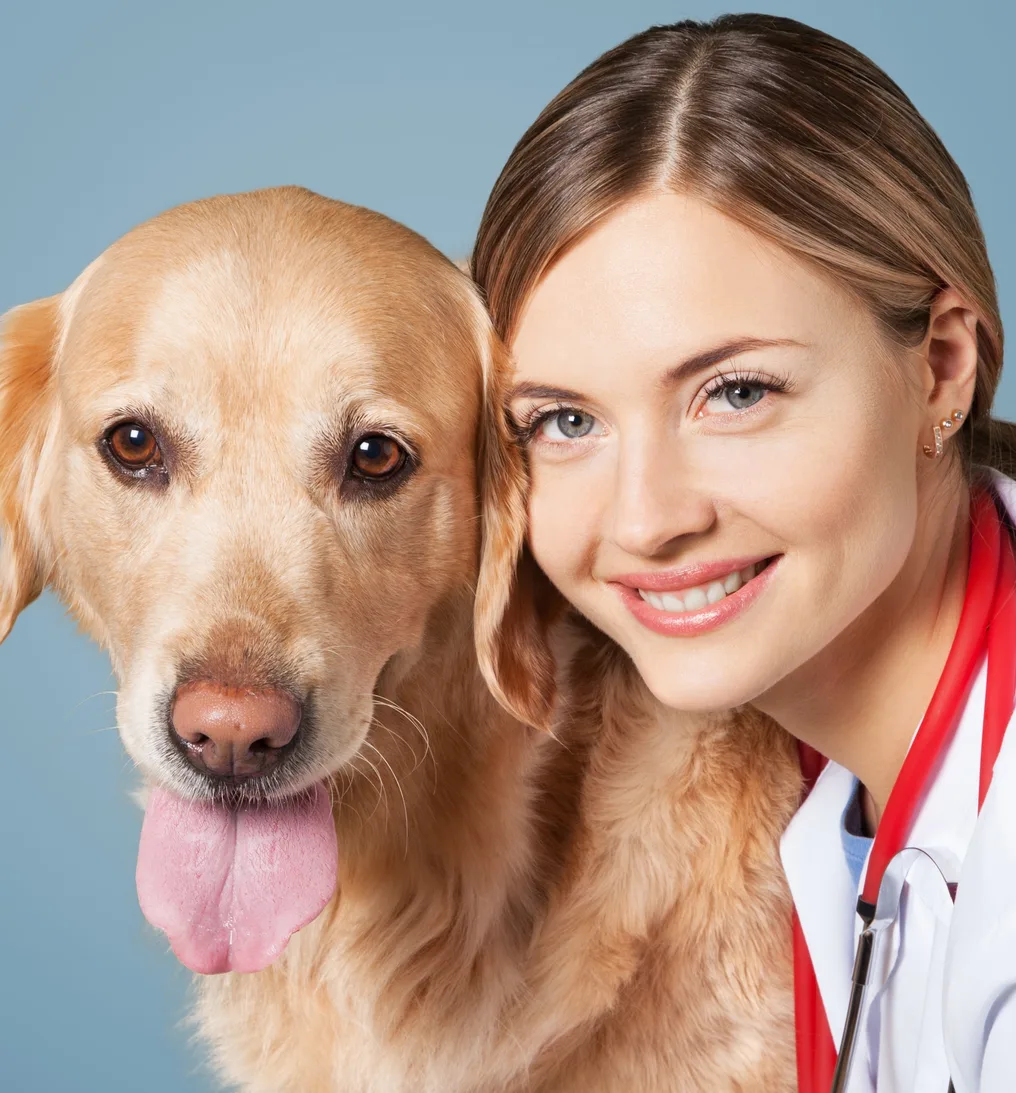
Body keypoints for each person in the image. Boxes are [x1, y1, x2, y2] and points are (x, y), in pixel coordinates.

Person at [470, 13, 1016, 1093]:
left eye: (734, 392)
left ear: (940, 371)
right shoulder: (817, 784)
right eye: (563, 421)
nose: (644, 519)